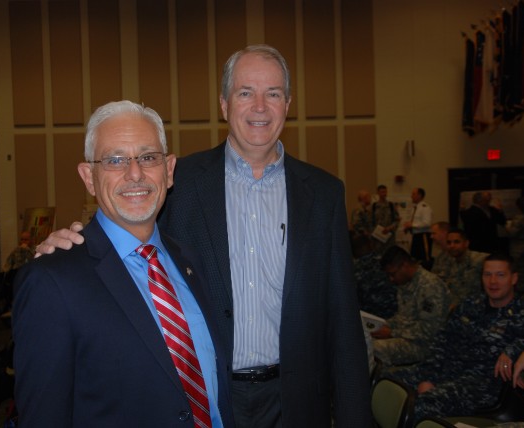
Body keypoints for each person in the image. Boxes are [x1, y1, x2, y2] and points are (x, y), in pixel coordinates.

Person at [36, 44, 372, 427]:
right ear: (225, 105)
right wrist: (69, 246)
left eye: (273, 94)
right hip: (208, 397)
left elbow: (343, 322)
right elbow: (123, 235)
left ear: (288, 103)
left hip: (297, 403)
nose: (260, 106)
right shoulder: (176, 183)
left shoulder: (324, 194)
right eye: (245, 93)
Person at [13, 101, 234, 427]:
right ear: (89, 177)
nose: (135, 174)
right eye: (115, 160)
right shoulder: (52, 281)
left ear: (169, 170)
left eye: (148, 157)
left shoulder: (190, 261)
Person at [389, 253, 524, 423]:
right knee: (387, 383)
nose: (493, 281)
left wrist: (514, 350)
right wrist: (430, 377)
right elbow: (443, 340)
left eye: (500, 275)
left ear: (514, 278)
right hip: (447, 370)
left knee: (421, 405)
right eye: (487, 274)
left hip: (482, 385)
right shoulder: (471, 304)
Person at [371, 245, 450, 366]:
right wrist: (383, 325)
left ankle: (383, 381)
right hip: (406, 337)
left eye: (392, 274)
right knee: (364, 341)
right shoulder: (405, 282)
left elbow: (429, 330)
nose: (391, 279)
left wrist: (392, 332)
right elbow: (403, 317)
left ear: (404, 265)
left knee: (375, 348)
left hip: (424, 345)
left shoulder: (430, 286)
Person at [437, 228, 488, 307]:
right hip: (453, 307)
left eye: (456, 242)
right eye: (449, 243)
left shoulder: (480, 260)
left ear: (466, 243)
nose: (452, 246)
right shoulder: (448, 262)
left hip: (476, 307)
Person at [351, 233, 398, 319]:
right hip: (395, 316)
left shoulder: (351, 271)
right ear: (371, 244)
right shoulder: (388, 263)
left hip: (368, 319)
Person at [403, 187, 433, 268]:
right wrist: (409, 228)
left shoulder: (425, 207)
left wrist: (412, 225)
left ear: (419, 195)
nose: (411, 196)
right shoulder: (415, 208)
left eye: (413, 194)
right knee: (414, 258)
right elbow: (416, 223)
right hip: (416, 236)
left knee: (424, 259)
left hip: (423, 237)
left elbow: (427, 223)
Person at [371, 184, 401, 251]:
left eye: (385, 192)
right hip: (377, 238)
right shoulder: (374, 206)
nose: (384, 194)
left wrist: (389, 228)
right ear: (378, 193)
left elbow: (397, 220)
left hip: (389, 237)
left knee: (390, 254)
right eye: (382, 192)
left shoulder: (391, 205)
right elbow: (370, 222)